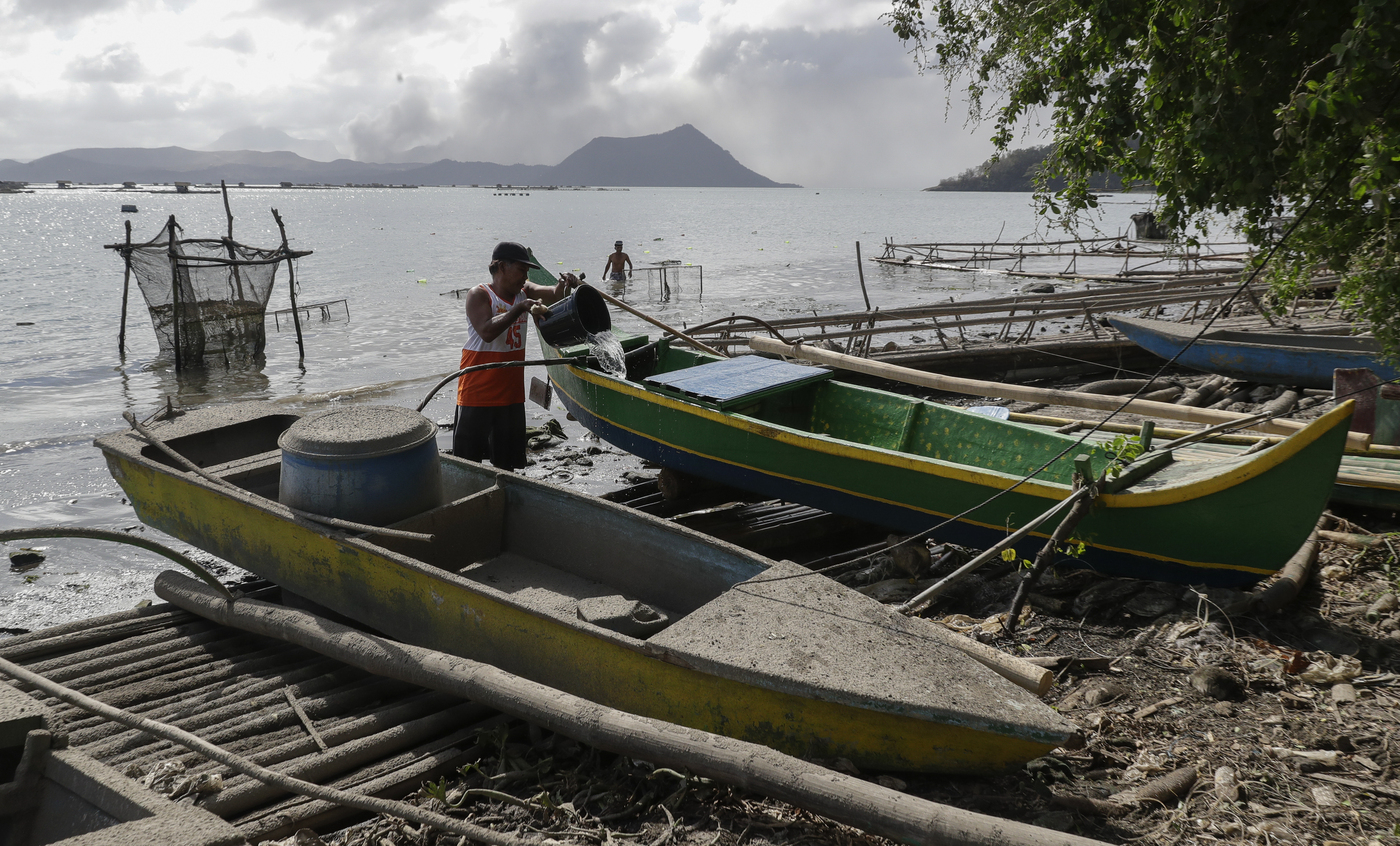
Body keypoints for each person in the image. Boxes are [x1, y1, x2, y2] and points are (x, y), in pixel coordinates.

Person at [454, 241, 576, 469]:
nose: (524, 276)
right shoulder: (479, 295)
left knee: (507, 465)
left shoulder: (525, 292)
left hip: (511, 395)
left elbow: (555, 294)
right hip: (478, 393)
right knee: (467, 464)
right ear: (501, 267)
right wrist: (519, 309)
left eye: (526, 271)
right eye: (521, 270)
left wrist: (565, 282)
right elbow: (487, 332)